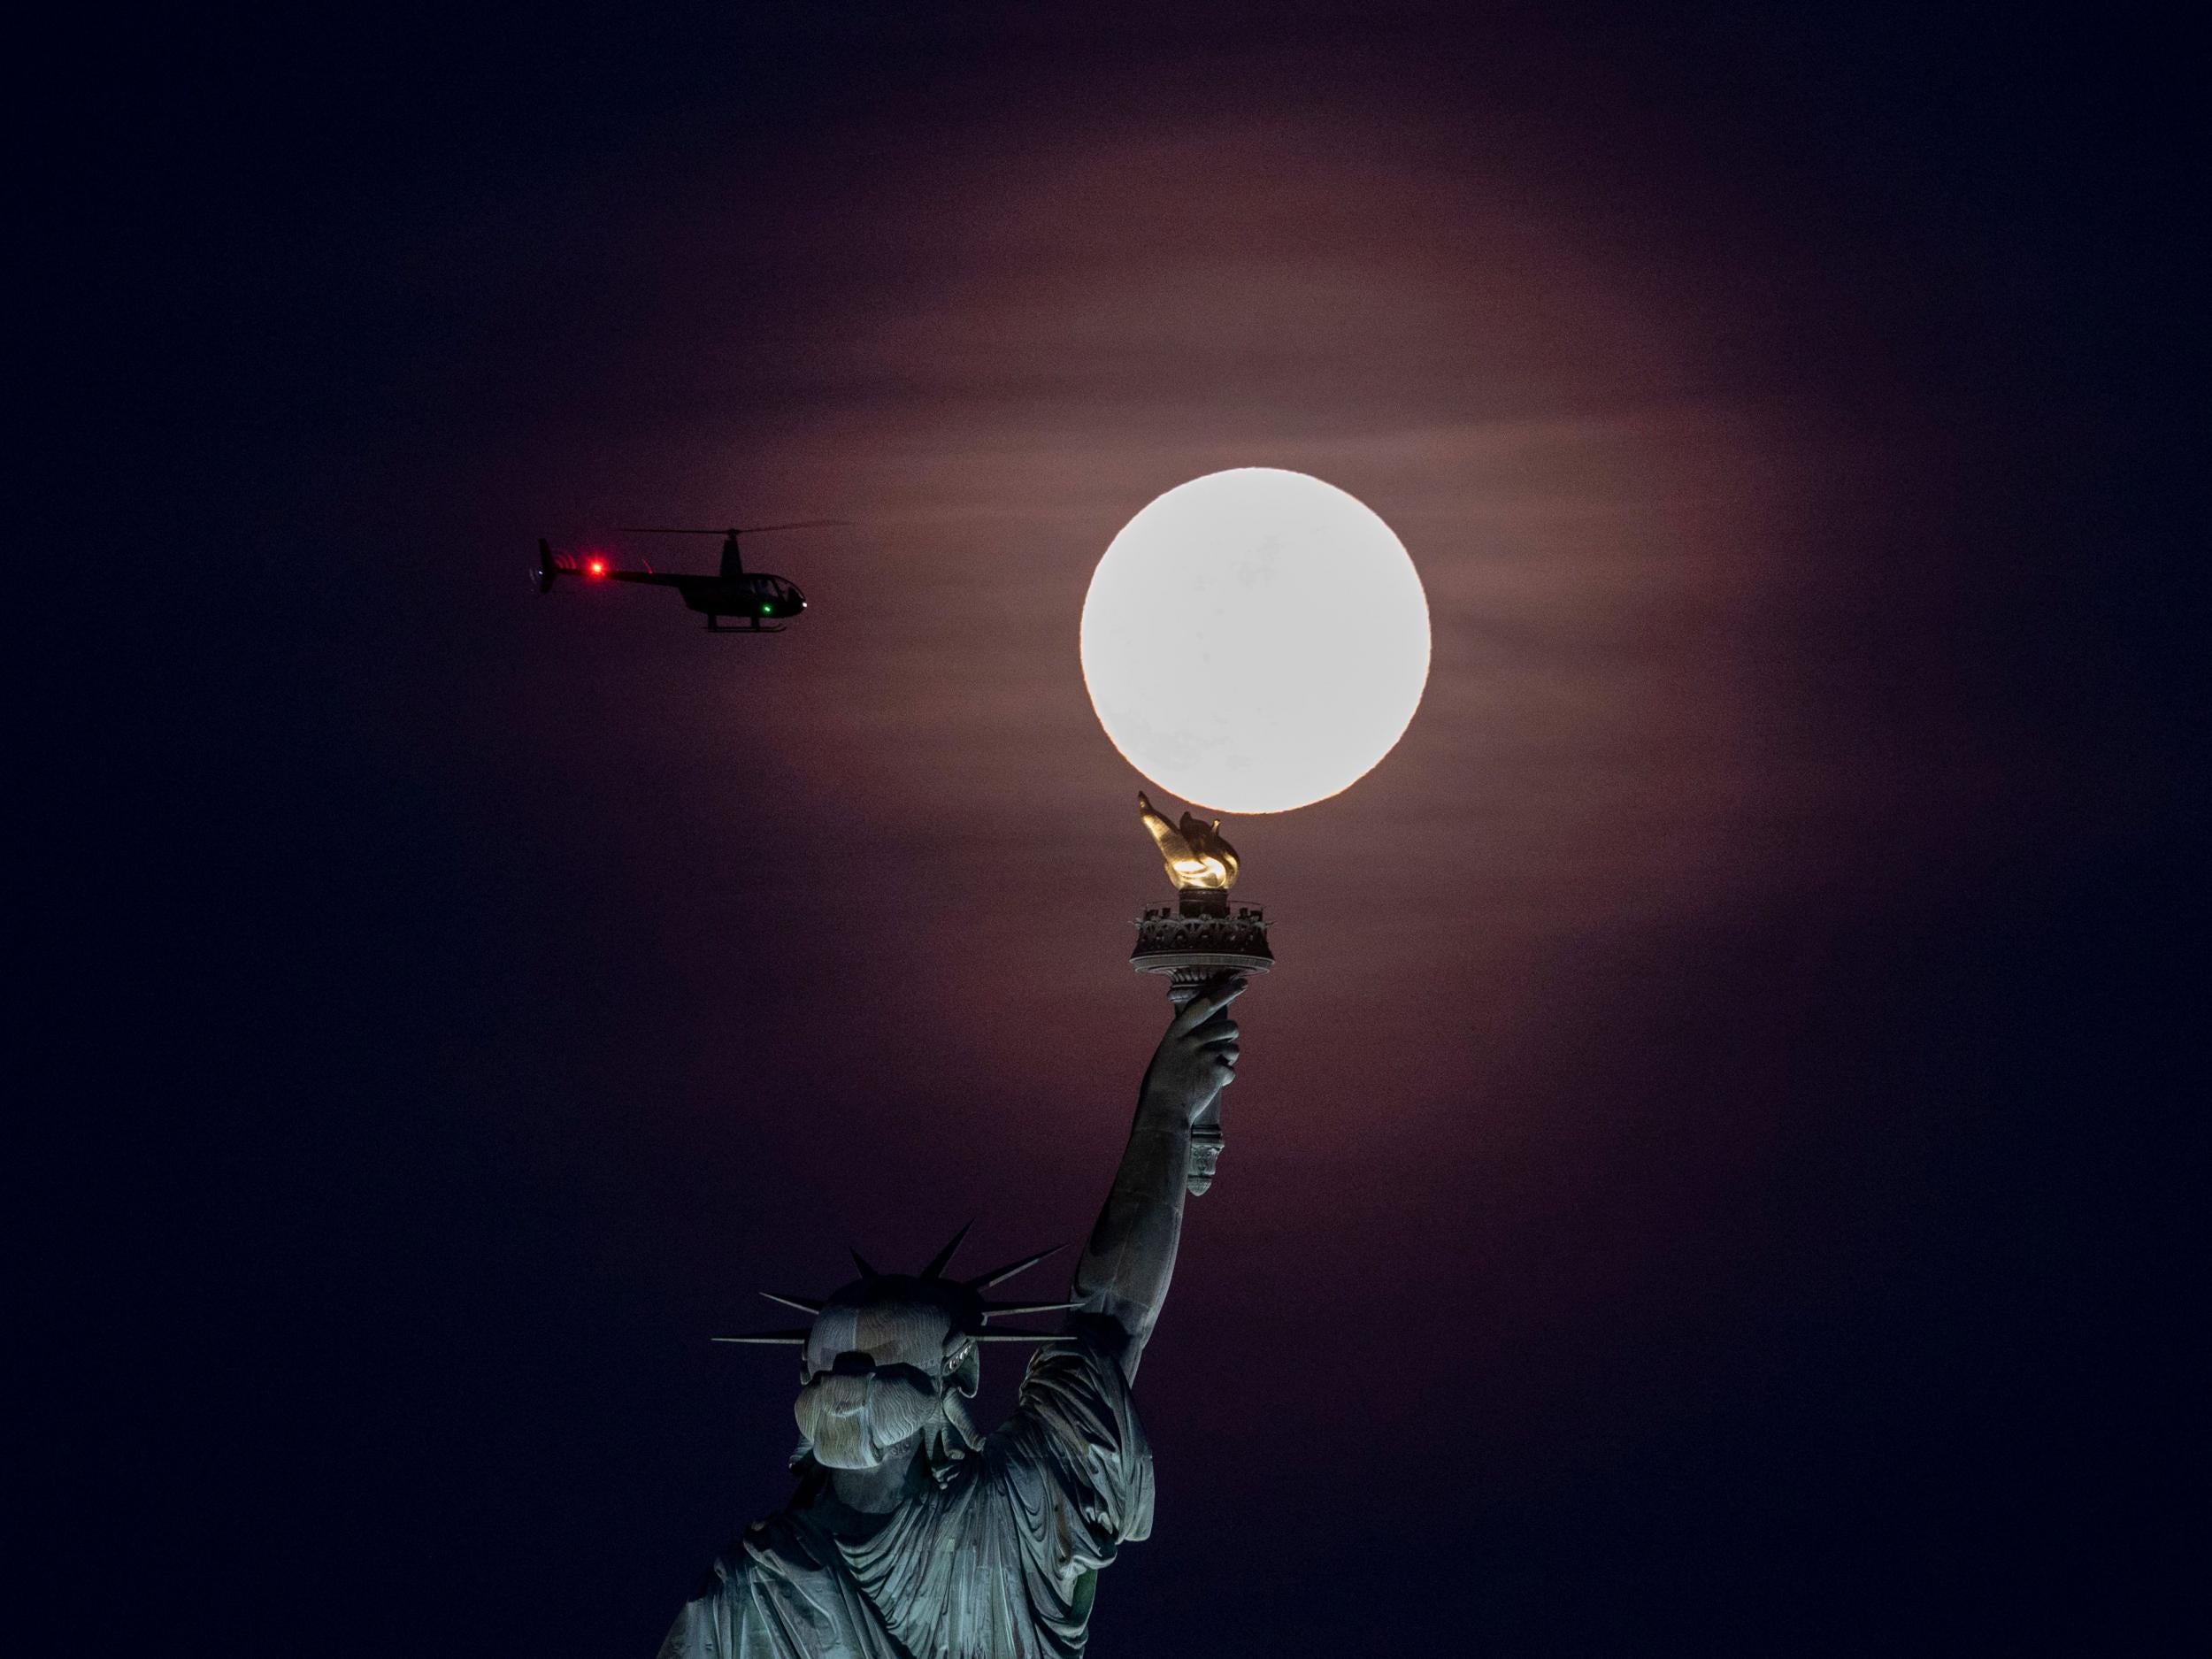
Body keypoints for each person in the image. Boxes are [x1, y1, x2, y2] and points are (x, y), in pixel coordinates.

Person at [657, 976, 1246, 1659]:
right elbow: (1112, 1320)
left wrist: (1171, 1113)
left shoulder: (741, 1595)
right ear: (952, 1377)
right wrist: (1167, 1111)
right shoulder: (1011, 1519)